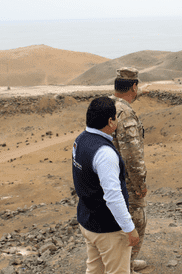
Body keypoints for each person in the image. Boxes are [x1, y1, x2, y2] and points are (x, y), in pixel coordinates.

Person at [72, 96, 139, 274]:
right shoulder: (105, 154)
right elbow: (113, 196)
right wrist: (129, 228)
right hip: (108, 229)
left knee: (95, 269)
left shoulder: (80, 140)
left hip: (88, 222)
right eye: (116, 117)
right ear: (110, 121)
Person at [109, 67, 148, 272]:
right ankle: (125, 267)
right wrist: (140, 184)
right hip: (124, 181)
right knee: (135, 223)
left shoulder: (107, 105)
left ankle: (125, 264)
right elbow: (132, 155)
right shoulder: (124, 113)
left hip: (108, 178)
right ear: (134, 86)